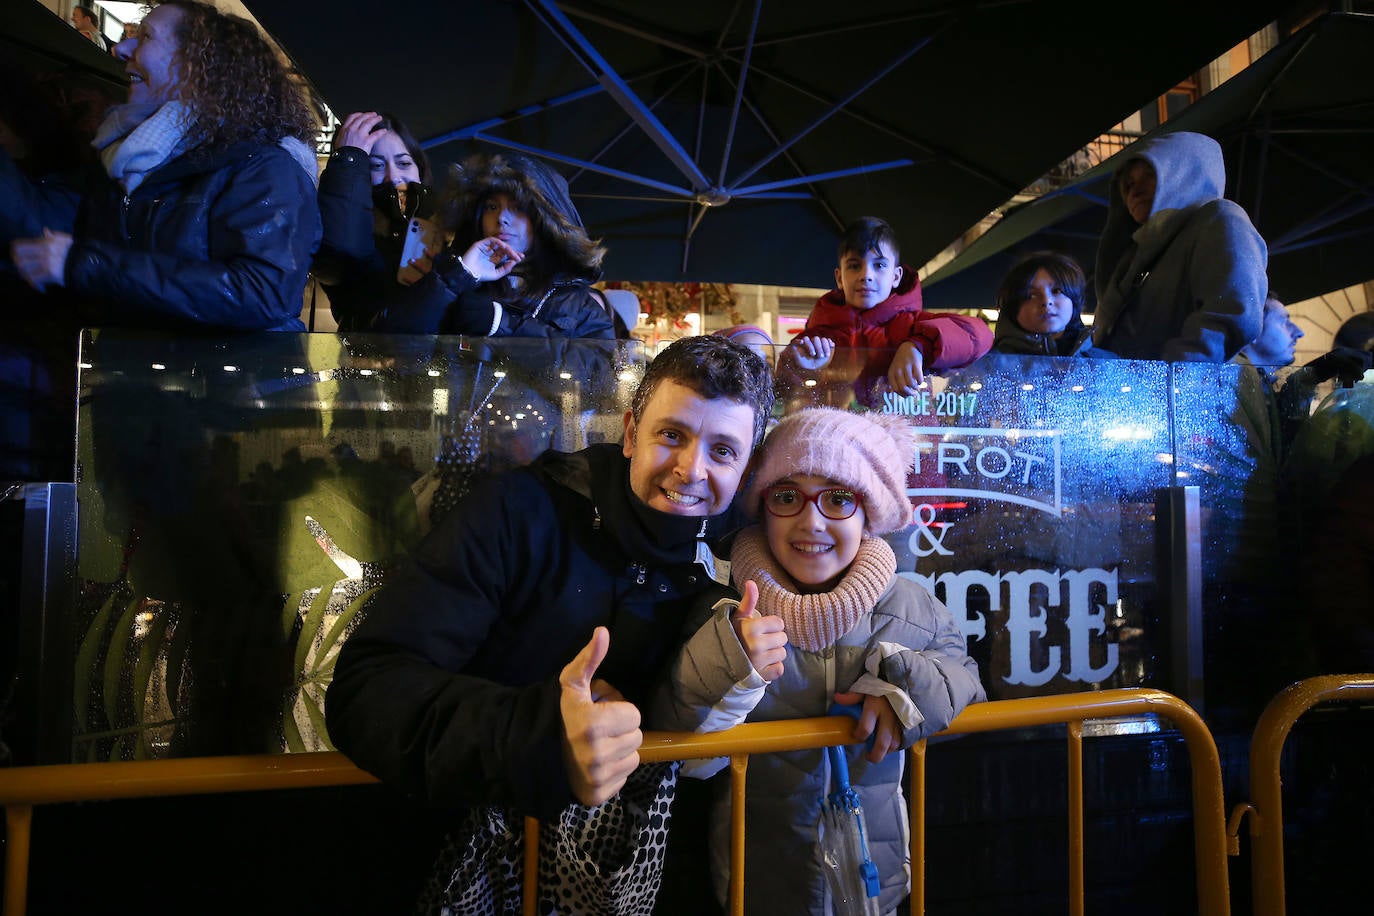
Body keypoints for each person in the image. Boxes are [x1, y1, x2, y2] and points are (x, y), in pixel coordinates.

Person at [325, 334, 775, 913]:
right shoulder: (521, 512)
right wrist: (544, 740)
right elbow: (368, 691)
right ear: (632, 431)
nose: (690, 469)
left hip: (602, 882)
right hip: (450, 868)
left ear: (745, 466)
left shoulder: (722, 566)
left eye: (722, 451)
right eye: (672, 435)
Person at [655, 407, 985, 915]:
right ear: (761, 508)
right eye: (787, 497)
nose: (812, 521)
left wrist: (905, 690)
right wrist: (729, 661)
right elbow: (683, 743)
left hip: (872, 883)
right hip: (756, 883)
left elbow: (966, 685)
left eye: (838, 499)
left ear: (868, 512)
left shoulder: (910, 608)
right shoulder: (723, 611)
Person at [4, 0, 320, 332]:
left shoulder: (264, 165)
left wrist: (89, 265)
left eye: (145, 37)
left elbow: (263, 293)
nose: (121, 49)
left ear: (200, 66)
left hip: (229, 380)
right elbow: (38, 225)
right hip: (132, 372)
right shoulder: (122, 158)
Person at [372, 150, 615, 339]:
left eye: (518, 207)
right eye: (491, 207)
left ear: (543, 219)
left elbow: (597, 372)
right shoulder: (454, 282)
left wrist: (501, 323)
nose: (502, 218)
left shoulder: (578, 304)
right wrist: (459, 276)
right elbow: (391, 345)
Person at [1092, 131, 1267, 362]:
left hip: (1174, 394)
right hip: (1125, 392)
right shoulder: (1133, 255)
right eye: (1129, 183)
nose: (1135, 190)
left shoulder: (1220, 219)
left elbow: (1229, 317)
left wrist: (1168, 384)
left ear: (1184, 172)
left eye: (1149, 175)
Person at [784, 216, 993, 398]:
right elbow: (783, 385)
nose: (866, 275)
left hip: (909, 437)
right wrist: (803, 370)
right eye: (855, 265)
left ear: (896, 276)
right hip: (839, 438)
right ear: (840, 277)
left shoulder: (914, 326)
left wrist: (918, 346)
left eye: (880, 265)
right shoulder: (819, 336)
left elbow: (980, 335)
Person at [313, 110, 435, 331]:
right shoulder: (350, 231)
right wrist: (348, 160)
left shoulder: (441, 227)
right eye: (376, 166)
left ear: (420, 168)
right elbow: (341, 251)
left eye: (404, 163)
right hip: (367, 359)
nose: (394, 175)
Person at [991, 250, 1110, 357]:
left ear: (1074, 300)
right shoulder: (988, 366)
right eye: (1031, 295)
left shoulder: (1106, 364)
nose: (1046, 301)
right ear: (1012, 308)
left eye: (1057, 291)